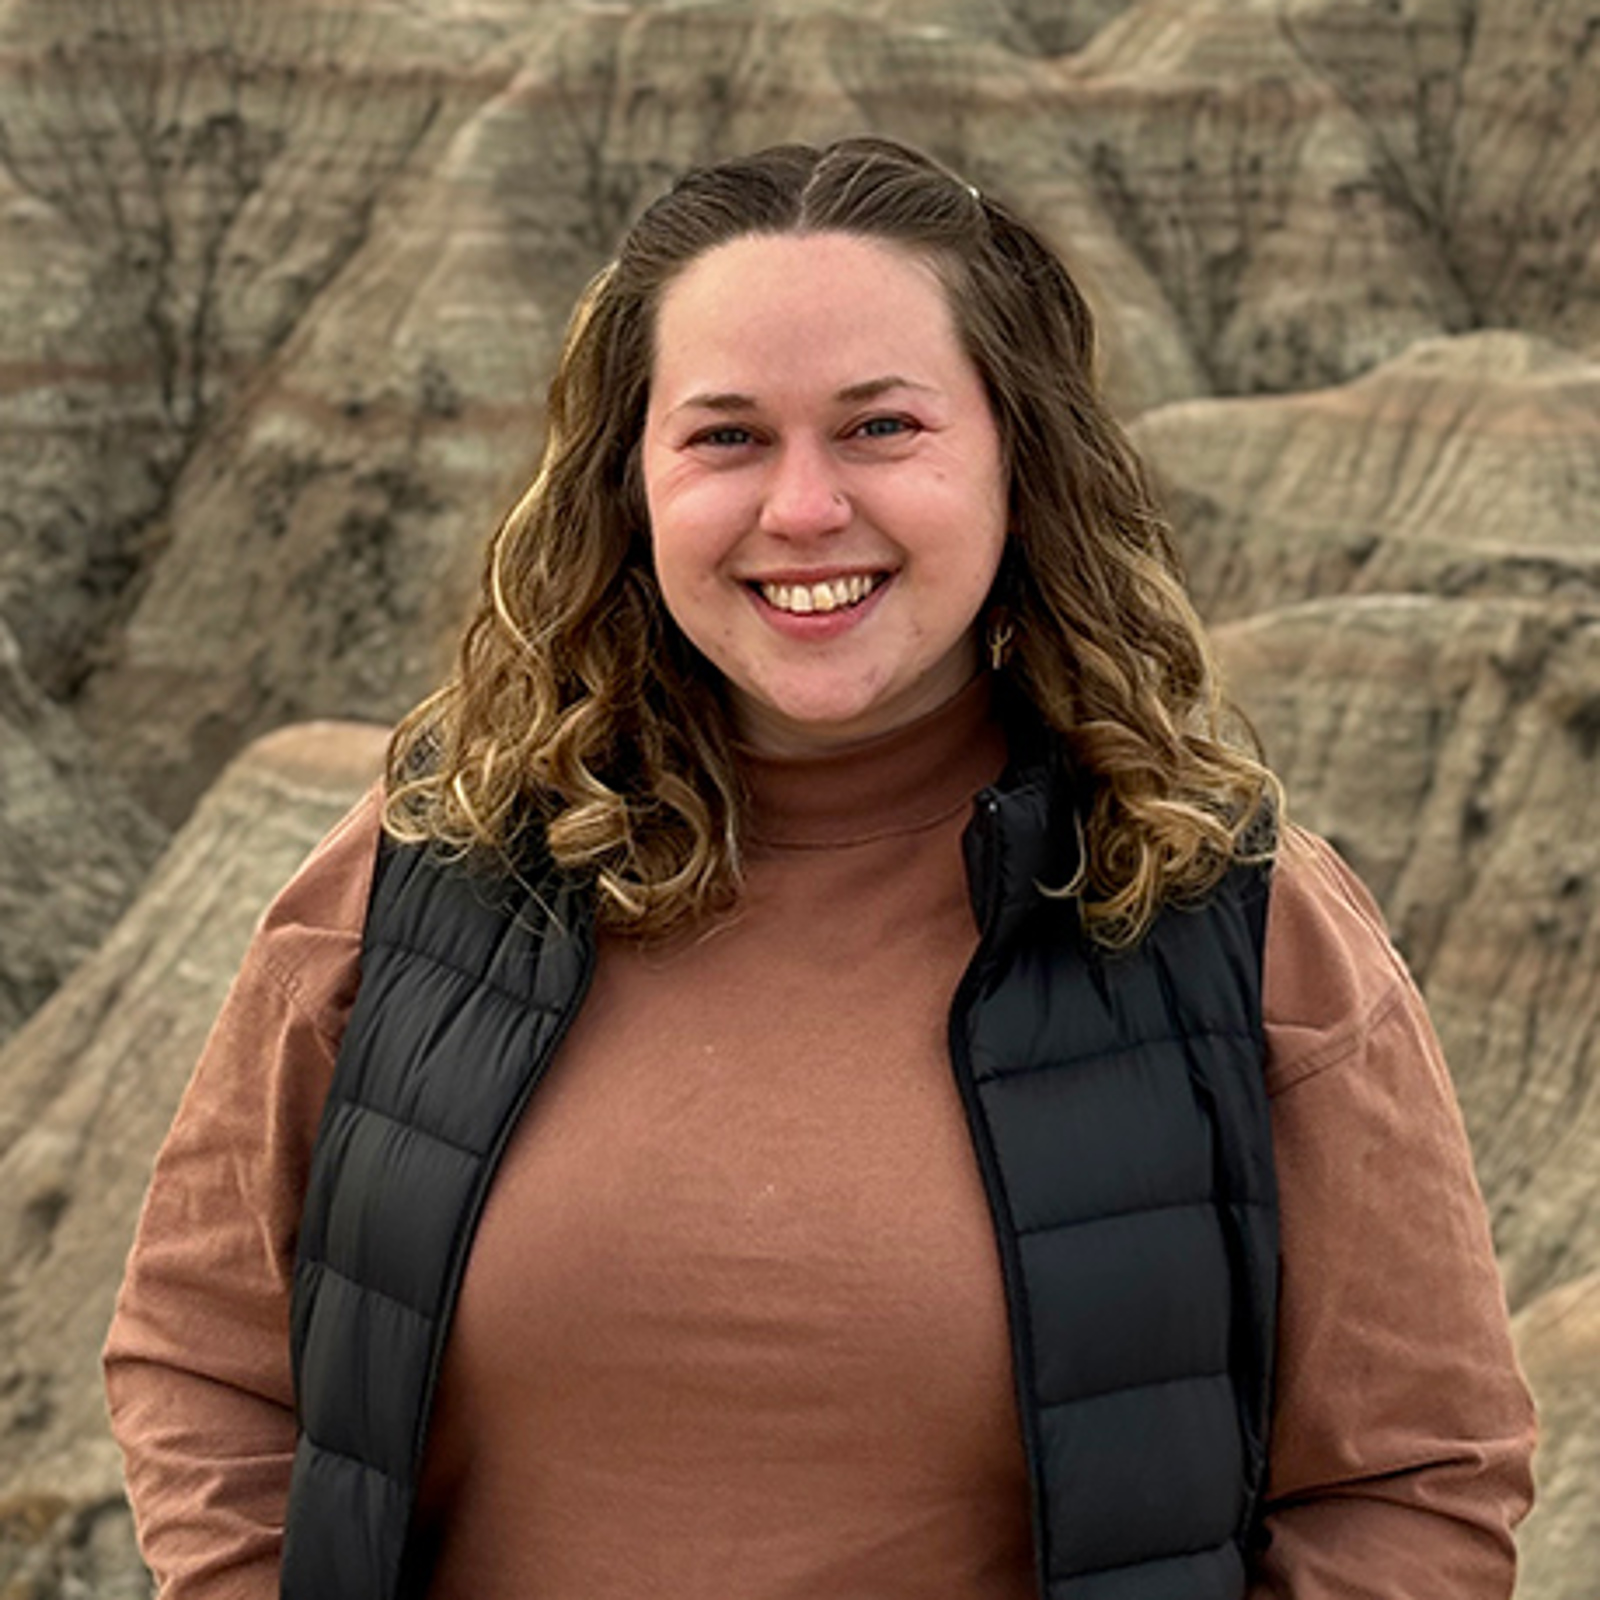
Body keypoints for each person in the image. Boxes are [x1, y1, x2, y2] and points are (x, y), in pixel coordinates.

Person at [104, 136, 1535, 1600]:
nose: (802, 511)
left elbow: (1413, 1482)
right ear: (632, 483)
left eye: (880, 429)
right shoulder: (428, 869)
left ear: (1018, 461)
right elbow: (204, 1353)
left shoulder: (1236, 925)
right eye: (726, 436)